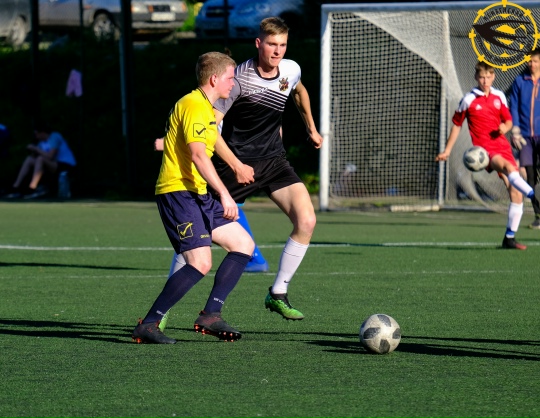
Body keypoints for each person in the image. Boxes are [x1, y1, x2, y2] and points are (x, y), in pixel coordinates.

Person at [163, 16, 324, 324]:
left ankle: (278, 293)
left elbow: (299, 92)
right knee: (198, 233)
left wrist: (311, 129)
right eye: (272, 44)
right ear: (258, 43)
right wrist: (235, 164)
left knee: (307, 219)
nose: (277, 51)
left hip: (274, 162)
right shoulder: (237, 78)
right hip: (236, 163)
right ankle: (165, 308)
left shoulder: (290, 69)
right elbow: (211, 127)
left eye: (282, 45)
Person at [132, 51, 255, 344]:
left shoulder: (204, 107)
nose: (233, 83)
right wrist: (225, 194)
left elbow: (212, 140)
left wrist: (236, 165)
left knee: (243, 244)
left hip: (198, 194)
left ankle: (211, 315)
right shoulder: (194, 105)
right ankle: (149, 324)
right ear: (214, 79)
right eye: (230, 78)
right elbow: (199, 155)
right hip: (178, 193)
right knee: (200, 262)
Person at [436, 61, 539, 250]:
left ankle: (509, 238)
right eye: (482, 77)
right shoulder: (468, 99)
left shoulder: (499, 96)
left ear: (493, 77)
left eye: (488, 77)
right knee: (509, 168)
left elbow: (508, 121)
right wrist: (447, 150)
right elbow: (457, 125)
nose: (485, 81)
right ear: (476, 77)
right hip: (485, 150)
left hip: (503, 147)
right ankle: (534, 197)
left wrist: (505, 127)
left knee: (515, 193)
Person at [154, 136, 269, 273]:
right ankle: (254, 257)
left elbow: (209, 136)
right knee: (196, 242)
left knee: (197, 235)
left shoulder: (211, 122)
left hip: (217, 167)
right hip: (214, 168)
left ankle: (254, 257)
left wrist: (169, 142)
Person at [509, 48, 540, 229]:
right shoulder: (520, 81)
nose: (531, 64)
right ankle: (538, 215)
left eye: (535, 61)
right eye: (529, 61)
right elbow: (513, 106)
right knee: (529, 176)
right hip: (525, 137)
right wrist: (515, 129)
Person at [4, 122, 76, 199]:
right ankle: (16, 186)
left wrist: (36, 149)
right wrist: (33, 151)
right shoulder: (41, 143)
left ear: (42, 132)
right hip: (53, 164)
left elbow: (50, 156)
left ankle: (32, 187)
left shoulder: (54, 136)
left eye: (36, 133)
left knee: (40, 159)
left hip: (66, 165)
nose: (36, 136)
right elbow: (37, 156)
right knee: (29, 159)